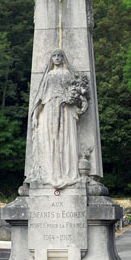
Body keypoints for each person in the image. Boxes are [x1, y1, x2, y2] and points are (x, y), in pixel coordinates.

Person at [27, 49, 87, 188]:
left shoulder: (67, 74)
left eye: (59, 56)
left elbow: (76, 94)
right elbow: (40, 98)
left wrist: (73, 99)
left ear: (63, 58)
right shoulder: (48, 76)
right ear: (51, 59)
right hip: (48, 110)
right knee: (50, 141)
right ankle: (51, 173)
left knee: (65, 140)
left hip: (66, 110)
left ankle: (67, 173)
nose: (57, 58)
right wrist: (35, 115)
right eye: (54, 56)